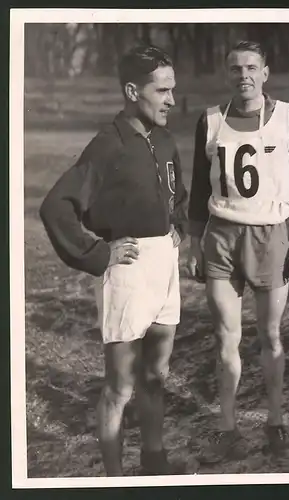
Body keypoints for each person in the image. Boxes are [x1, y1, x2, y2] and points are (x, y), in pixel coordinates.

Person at [40, 45, 188, 476]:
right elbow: (55, 207)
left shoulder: (163, 140)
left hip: (165, 265)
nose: (171, 100)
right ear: (131, 91)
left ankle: (154, 464)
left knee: (156, 376)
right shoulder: (107, 146)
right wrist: (97, 253)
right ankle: (113, 479)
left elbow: (174, 193)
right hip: (127, 270)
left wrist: (175, 222)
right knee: (121, 386)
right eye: (162, 91)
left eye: (172, 90)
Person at [187, 40, 289, 462]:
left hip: (269, 236)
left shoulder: (287, 118)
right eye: (234, 68)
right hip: (221, 237)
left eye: (250, 67)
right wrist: (194, 243)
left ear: (264, 73)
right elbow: (198, 189)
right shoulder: (209, 121)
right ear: (227, 75)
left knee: (270, 334)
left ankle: (275, 422)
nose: (242, 74)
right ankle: (227, 428)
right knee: (226, 336)